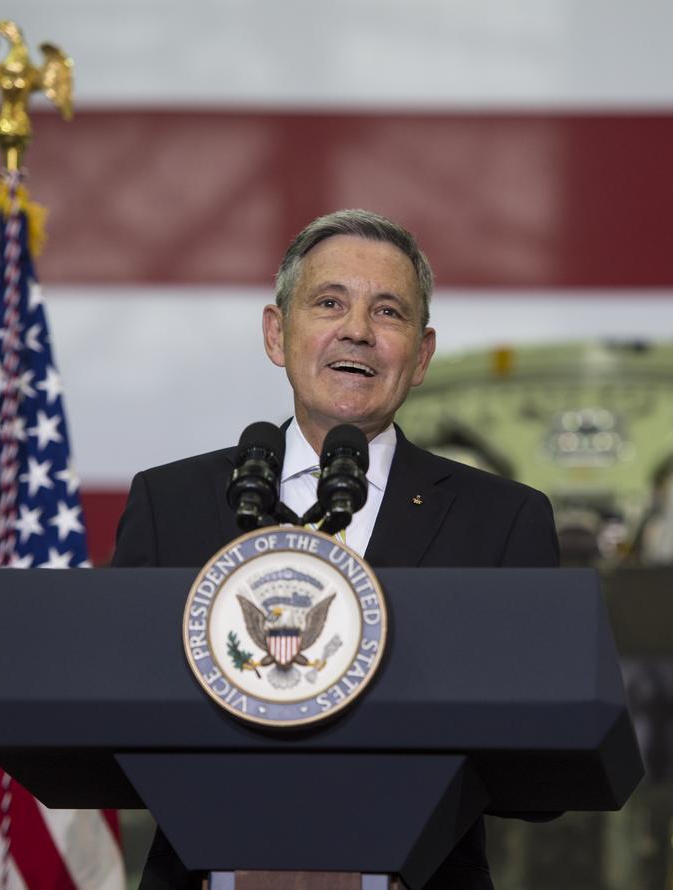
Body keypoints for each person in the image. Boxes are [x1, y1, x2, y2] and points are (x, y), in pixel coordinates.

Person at [112, 209, 560, 890]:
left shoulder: (501, 521)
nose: (357, 331)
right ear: (276, 332)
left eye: (388, 312)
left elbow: (543, 771)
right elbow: (117, 719)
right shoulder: (170, 504)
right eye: (329, 303)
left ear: (422, 353)